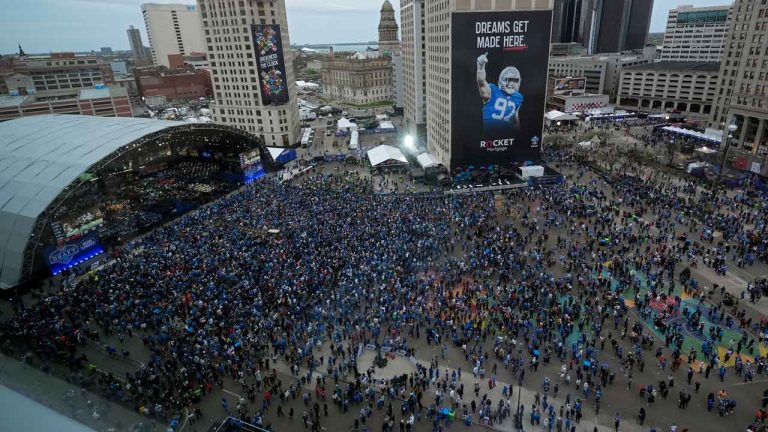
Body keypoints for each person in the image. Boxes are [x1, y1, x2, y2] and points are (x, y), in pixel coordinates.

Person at [476, 52, 523, 135]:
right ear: (502, 80)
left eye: (515, 80)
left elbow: (515, 119)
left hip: (506, 135)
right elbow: (481, 82)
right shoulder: (492, 91)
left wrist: (517, 137)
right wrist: (480, 66)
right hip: (490, 136)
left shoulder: (518, 97)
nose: (512, 83)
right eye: (509, 80)